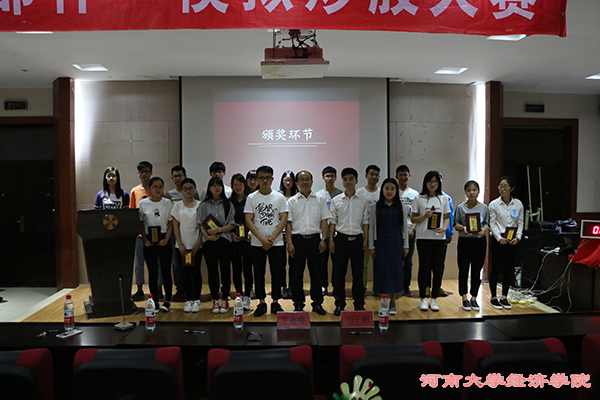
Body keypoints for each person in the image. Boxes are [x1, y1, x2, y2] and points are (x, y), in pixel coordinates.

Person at [244, 165, 289, 317]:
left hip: (277, 242)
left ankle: (275, 302)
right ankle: (261, 302)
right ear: (257, 179)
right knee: (258, 273)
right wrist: (262, 239)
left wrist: (272, 237)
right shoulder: (252, 198)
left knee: (277, 273)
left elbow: (283, 219)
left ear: (272, 179)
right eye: (261, 178)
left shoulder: (279, 197)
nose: (264, 180)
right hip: (257, 243)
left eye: (267, 178)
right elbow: (248, 220)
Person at [286, 170, 331, 315]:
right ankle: (298, 304)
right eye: (301, 179)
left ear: (312, 182)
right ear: (296, 183)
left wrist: (323, 239)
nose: (304, 182)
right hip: (297, 241)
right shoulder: (291, 201)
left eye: (307, 179)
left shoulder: (320, 200)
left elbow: (324, 221)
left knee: (317, 274)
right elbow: (288, 224)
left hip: (315, 241)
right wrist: (289, 243)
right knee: (296, 274)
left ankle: (317, 303)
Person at [329, 167, 369, 316]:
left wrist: (366, 239)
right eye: (345, 179)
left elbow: (365, 222)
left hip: (358, 240)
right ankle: (339, 304)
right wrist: (331, 240)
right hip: (341, 240)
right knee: (339, 274)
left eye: (351, 179)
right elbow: (332, 222)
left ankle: (359, 304)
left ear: (356, 181)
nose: (348, 182)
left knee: (358, 275)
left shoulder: (363, 200)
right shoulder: (336, 200)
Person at [368, 178, 409, 315]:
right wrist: (371, 246)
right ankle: (384, 302)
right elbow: (372, 228)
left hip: (397, 243)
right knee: (382, 272)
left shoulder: (401, 207)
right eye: (387, 188)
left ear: (396, 191)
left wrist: (406, 245)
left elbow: (404, 227)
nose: (389, 191)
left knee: (395, 272)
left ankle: (393, 302)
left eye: (392, 189)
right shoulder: (375, 207)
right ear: (382, 190)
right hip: (381, 244)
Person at [411, 171, 450, 312]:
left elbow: (447, 217)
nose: (432, 184)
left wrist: (444, 228)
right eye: (430, 181)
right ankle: (423, 298)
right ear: (425, 183)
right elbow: (413, 218)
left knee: (438, 268)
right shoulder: (419, 198)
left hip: (439, 239)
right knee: (424, 268)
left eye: (435, 181)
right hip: (423, 238)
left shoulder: (444, 198)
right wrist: (424, 216)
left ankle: (434, 299)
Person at [198, 177, 236, 314]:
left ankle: (224, 298)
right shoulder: (203, 205)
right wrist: (207, 236)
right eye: (213, 185)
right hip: (209, 241)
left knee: (225, 270)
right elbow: (201, 223)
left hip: (224, 240)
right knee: (212, 270)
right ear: (209, 188)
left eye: (219, 185)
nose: (216, 188)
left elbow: (232, 224)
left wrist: (219, 230)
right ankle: (215, 299)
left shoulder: (228, 204)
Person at [138, 177, 173, 312]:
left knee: (166, 270)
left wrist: (167, 238)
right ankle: (154, 300)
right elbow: (140, 224)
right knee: (153, 272)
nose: (158, 189)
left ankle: (167, 300)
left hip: (164, 239)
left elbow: (171, 223)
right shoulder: (143, 203)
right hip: (149, 241)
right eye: (155, 187)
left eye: (160, 187)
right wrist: (145, 240)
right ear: (150, 189)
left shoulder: (167, 203)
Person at [489, 176, 524, 310]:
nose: (502, 189)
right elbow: (492, 223)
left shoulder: (518, 204)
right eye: (500, 187)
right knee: (496, 267)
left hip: (513, 239)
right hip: (498, 239)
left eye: (505, 187)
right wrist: (499, 238)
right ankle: (493, 297)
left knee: (508, 268)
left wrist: (518, 237)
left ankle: (504, 296)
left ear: (512, 189)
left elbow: (520, 222)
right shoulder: (494, 204)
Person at [453, 180, 489, 312]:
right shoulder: (461, 207)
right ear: (465, 192)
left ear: (478, 191)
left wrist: (484, 229)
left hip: (479, 242)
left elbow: (487, 224)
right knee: (463, 270)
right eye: (469, 190)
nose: (472, 193)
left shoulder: (484, 207)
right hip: (464, 241)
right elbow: (455, 224)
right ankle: (464, 297)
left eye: (474, 190)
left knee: (476, 270)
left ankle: (474, 297)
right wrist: (464, 227)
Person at [165, 165, 198, 303]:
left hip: (193, 235)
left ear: (185, 176)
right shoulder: (169, 195)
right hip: (176, 234)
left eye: (180, 175)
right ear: (172, 178)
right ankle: (181, 290)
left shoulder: (196, 197)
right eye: (175, 176)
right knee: (177, 264)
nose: (178, 178)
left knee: (193, 265)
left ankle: (193, 292)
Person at [130, 161, 161, 302]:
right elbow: (133, 213)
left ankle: (158, 290)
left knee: (157, 264)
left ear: (151, 172)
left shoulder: (156, 189)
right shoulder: (134, 191)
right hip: (139, 234)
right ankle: (139, 290)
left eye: (147, 171)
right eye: (141, 172)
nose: (144, 174)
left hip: (156, 233)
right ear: (138, 173)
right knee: (139, 264)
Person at [171, 178, 203, 313]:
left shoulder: (200, 205)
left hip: (196, 245)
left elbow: (202, 226)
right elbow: (175, 226)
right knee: (185, 273)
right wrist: (180, 244)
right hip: (182, 245)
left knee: (196, 272)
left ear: (194, 189)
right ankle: (189, 299)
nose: (188, 191)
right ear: (182, 190)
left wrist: (198, 242)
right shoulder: (177, 206)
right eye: (185, 188)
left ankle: (197, 299)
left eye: (191, 188)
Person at [316, 166, 343, 296]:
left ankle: (336, 286)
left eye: (332, 176)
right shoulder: (318, 195)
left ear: (335, 178)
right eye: (327, 176)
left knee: (337, 263)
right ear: (323, 178)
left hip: (337, 234)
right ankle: (323, 286)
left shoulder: (341, 194)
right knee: (322, 262)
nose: (330, 178)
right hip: (323, 235)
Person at [230, 173, 253, 310]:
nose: (238, 187)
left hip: (249, 239)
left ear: (244, 185)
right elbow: (226, 220)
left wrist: (251, 231)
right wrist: (231, 233)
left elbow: (254, 218)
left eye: (240, 184)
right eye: (235, 185)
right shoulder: (229, 202)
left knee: (248, 268)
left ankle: (247, 296)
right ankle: (238, 295)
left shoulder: (250, 199)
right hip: (235, 239)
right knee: (236, 268)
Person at [356, 165, 380, 292]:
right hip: (364, 232)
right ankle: (363, 288)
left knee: (378, 264)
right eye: (371, 174)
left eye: (376, 174)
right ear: (366, 176)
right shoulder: (360, 192)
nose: (374, 177)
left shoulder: (382, 192)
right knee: (363, 264)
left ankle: (378, 288)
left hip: (378, 232)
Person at [395, 165, 419, 296]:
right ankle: (396, 286)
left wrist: (413, 229)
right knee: (395, 261)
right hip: (395, 232)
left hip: (409, 232)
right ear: (396, 176)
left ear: (409, 176)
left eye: (405, 174)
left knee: (408, 261)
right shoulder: (392, 192)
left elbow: (417, 215)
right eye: (401, 175)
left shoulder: (415, 194)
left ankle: (406, 286)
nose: (403, 177)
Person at [278, 170, 298, 299]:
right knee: (280, 263)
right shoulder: (278, 196)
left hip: (294, 233)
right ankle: (282, 286)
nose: (288, 182)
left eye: (290, 180)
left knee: (293, 263)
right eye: (285, 180)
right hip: (279, 234)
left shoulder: (298, 196)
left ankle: (292, 286)